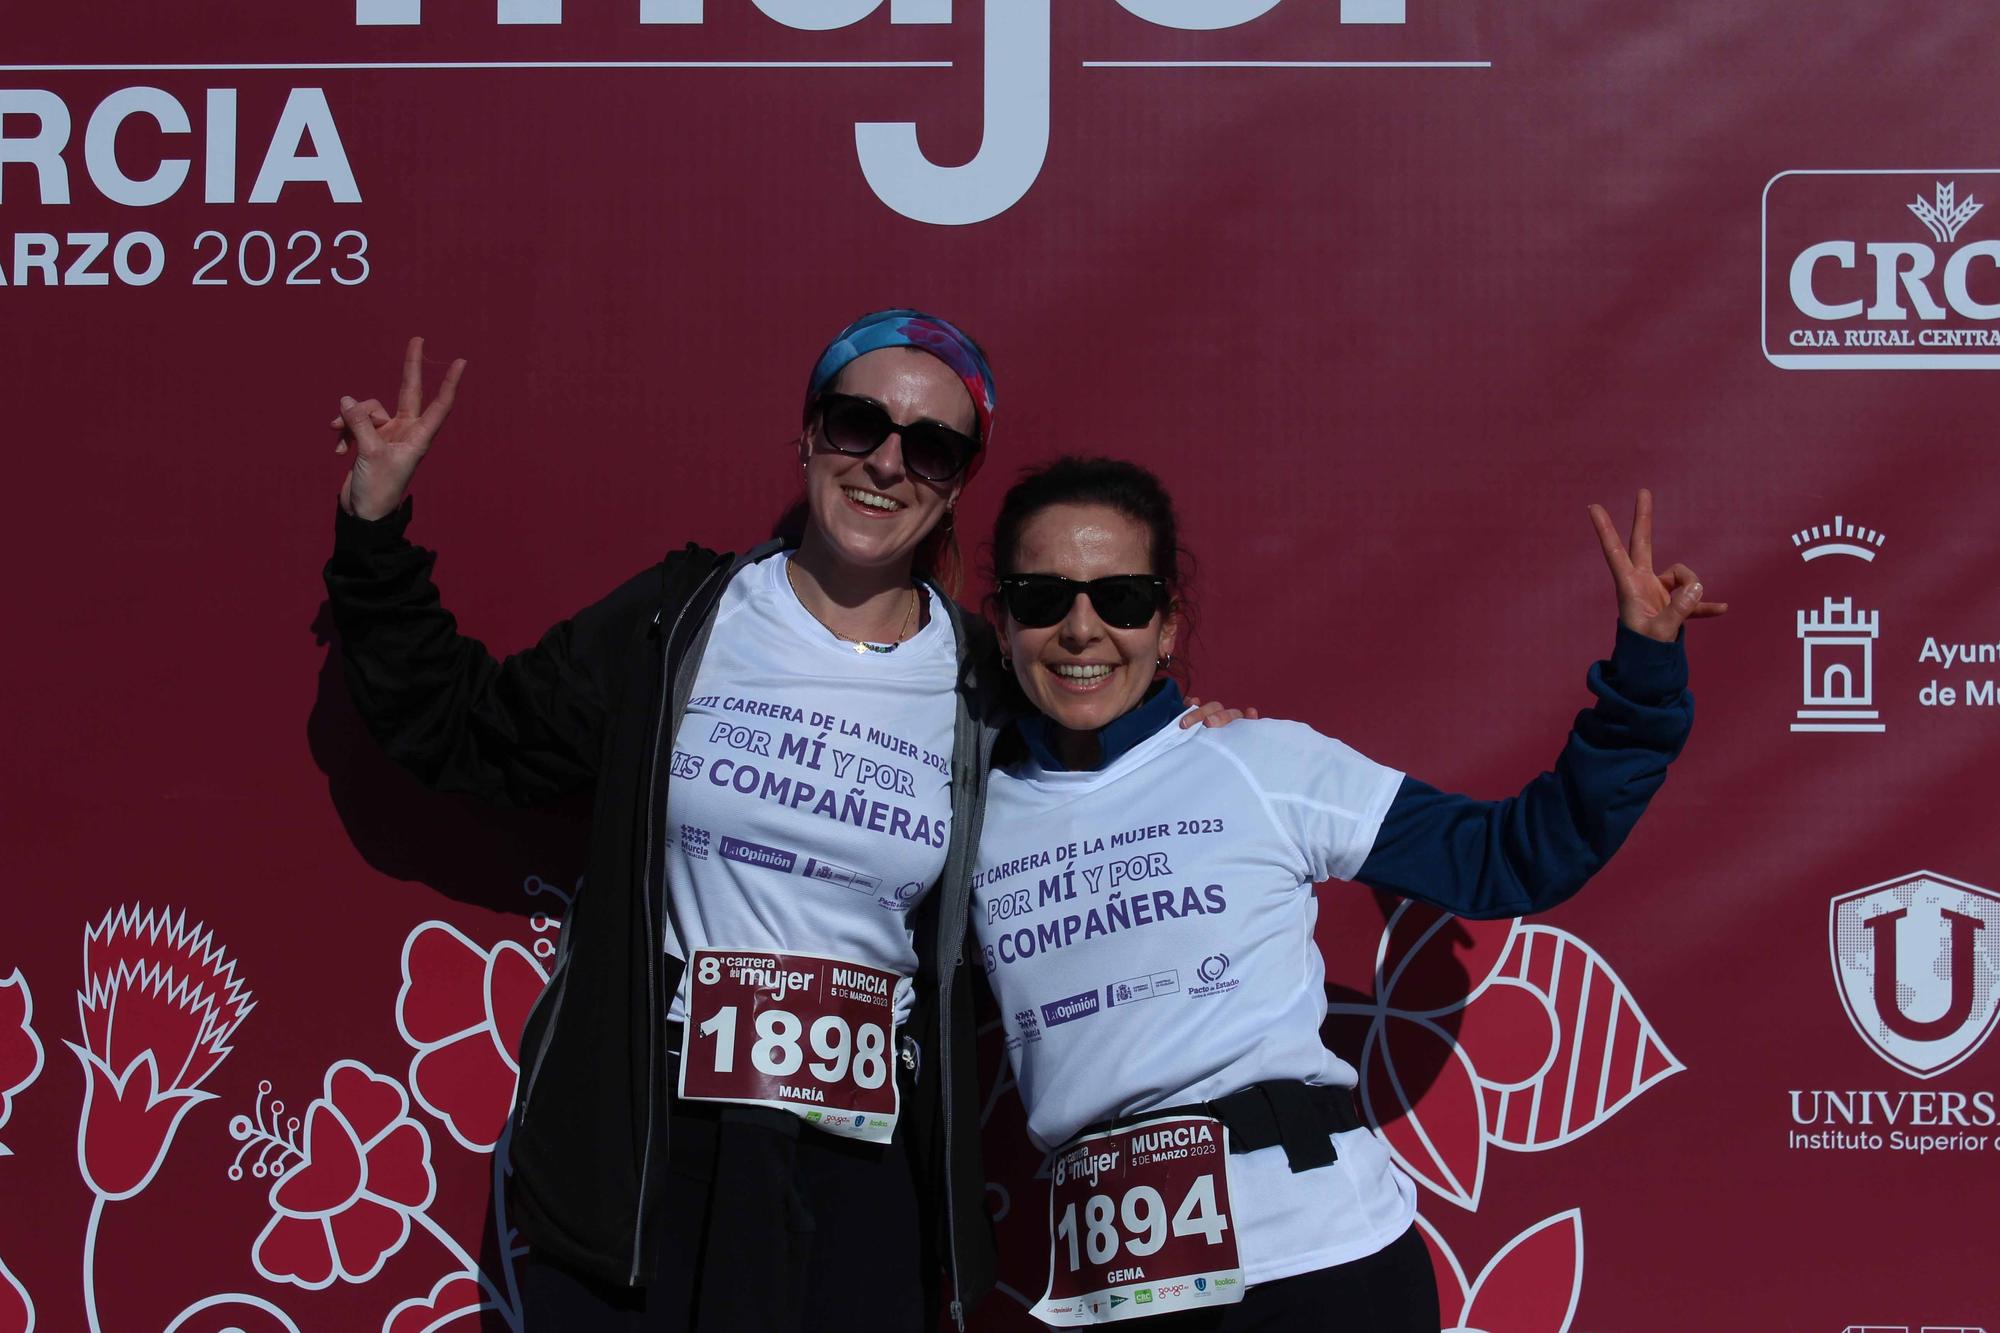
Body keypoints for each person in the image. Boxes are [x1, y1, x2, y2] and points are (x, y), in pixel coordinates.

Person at [322, 312, 1020, 1331]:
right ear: (806, 434)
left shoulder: (979, 683)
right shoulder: (684, 616)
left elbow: (1090, 817)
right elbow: (471, 730)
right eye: (855, 422)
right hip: (655, 1149)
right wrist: (373, 527)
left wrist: (1191, 737)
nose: (885, 461)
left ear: (957, 480)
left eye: (931, 445)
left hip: (859, 1169)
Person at [968, 458, 1724, 1329]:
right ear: (1003, 620)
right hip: (1111, 1293)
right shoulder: (974, 816)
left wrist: (1644, 679)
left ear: (1168, 623)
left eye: (1122, 600)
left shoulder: (1260, 763)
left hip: (1316, 1268)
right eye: (1042, 598)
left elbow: (1513, 857)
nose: (1081, 628)